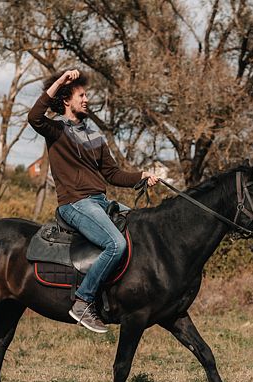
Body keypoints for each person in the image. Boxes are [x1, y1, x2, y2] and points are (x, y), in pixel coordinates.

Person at [27, 69, 159, 333]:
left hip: (100, 202)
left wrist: (141, 176)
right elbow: (34, 117)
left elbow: (112, 174)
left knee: (142, 228)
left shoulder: (95, 135)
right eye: (81, 95)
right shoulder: (56, 129)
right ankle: (83, 302)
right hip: (75, 204)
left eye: (87, 95)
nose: (87, 100)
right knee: (116, 244)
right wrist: (60, 81)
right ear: (67, 100)